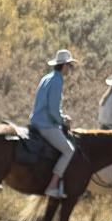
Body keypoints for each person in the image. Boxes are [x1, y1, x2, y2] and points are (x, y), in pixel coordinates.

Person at [30, 47, 78, 199]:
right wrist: (63, 120)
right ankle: (52, 186)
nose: (70, 69)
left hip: (36, 120)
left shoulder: (47, 77)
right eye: (69, 65)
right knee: (69, 150)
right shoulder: (57, 80)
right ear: (64, 65)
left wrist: (61, 116)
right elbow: (53, 110)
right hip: (46, 124)